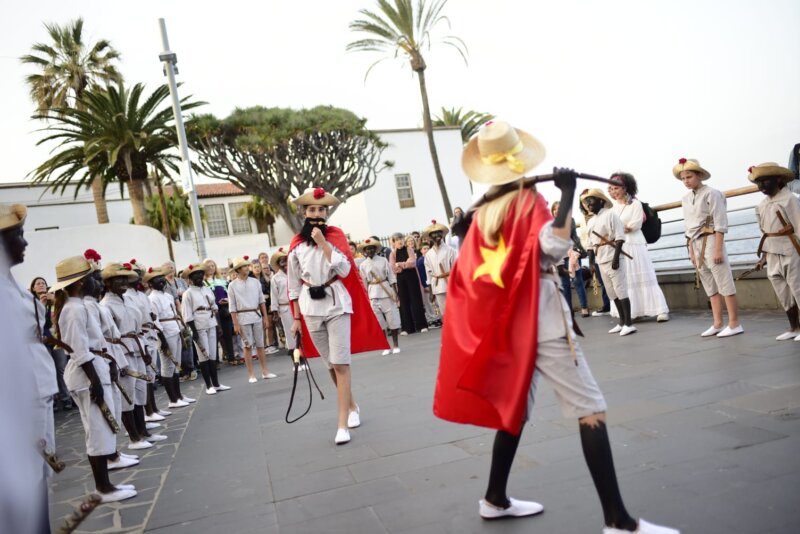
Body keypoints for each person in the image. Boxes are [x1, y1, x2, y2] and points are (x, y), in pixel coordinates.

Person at [433, 121, 679, 534]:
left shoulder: (483, 210)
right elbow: (552, 249)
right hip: (541, 316)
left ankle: (494, 498)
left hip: (507, 325)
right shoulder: (527, 200)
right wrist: (566, 196)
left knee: (514, 410)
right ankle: (618, 521)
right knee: (590, 407)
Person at [287, 187, 388, 444]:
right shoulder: (296, 244)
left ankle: (342, 424)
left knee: (341, 363)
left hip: (337, 304)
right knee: (331, 364)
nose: (316, 214)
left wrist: (323, 244)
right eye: (312, 209)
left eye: (321, 209)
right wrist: (296, 319)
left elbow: (344, 270)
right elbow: (293, 284)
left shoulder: (336, 236)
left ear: (326, 213)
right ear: (304, 213)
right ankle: (352, 405)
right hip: (310, 308)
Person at [52, 255, 138, 503]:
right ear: (80, 283)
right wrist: (95, 382)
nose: (96, 281)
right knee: (97, 431)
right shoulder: (74, 309)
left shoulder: (77, 306)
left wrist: (107, 365)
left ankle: (107, 483)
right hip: (86, 375)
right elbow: (79, 350)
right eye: (91, 277)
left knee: (101, 429)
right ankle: (103, 488)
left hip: (94, 368)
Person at [0, 203, 59, 531]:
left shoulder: (11, 283)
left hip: (39, 385)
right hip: (22, 393)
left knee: (40, 471)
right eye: (17, 236)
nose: (24, 243)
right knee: (30, 472)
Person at [676, 158, 743, 337]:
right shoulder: (685, 199)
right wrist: (691, 251)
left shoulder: (712, 194)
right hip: (695, 242)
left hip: (712, 239)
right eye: (683, 178)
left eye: (689, 176)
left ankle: (734, 323)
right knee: (708, 283)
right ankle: (717, 323)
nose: (686, 181)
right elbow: (688, 228)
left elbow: (720, 222)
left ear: (699, 175)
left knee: (724, 280)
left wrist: (718, 249)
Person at [607, 173, 670, 322]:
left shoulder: (635, 203)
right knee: (627, 278)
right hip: (620, 245)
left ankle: (660, 310)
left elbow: (635, 224)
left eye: (616, 188)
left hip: (635, 244)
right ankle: (634, 312)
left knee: (644, 275)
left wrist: (620, 229)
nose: (613, 192)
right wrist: (619, 229)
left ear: (625, 188)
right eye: (611, 189)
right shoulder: (612, 208)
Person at [749, 162, 800, 341]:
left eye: (765, 181)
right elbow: (764, 232)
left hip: (791, 249)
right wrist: (764, 256)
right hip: (772, 252)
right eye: (758, 182)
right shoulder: (762, 205)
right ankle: (794, 328)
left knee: (798, 287)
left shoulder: (790, 199)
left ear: (778, 179)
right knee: (783, 292)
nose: (761, 185)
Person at [583, 189, 637, 336]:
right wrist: (591, 263)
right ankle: (621, 322)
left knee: (620, 289)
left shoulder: (610, 215)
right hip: (600, 259)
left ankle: (629, 323)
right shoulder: (591, 221)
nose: (588, 204)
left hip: (612, 256)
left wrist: (616, 258)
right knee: (611, 292)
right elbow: (590, 244)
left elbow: (619, 238)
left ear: (601, 201)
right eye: (586, 202)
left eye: (591, 200)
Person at [146, 266, 196, 407]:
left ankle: (178, 395)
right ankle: (172, 399)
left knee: (176, 365)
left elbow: (175, 313)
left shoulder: (168, 296)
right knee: (168, 365)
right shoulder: (151, 298)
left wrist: (181, 328)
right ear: (150, 283)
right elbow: (155, 321)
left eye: (162, 278)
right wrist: (162, 339)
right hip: (165, 332)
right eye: (157, 279)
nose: (161, 281)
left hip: (175, 329)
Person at [182, 262, 231, 395]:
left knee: (213, 355)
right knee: (204, 356)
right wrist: (194, 331)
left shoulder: (207, 289)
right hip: (198, 325)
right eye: (195, 275)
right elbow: (187, 315)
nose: (199, 276)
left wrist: (218, 326)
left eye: (200, 274)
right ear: (190, 278)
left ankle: (216, 384)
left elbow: (215, 308)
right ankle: (209, 386)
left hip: (211, 322)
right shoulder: (188, 293)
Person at [30, 276, 74, 411]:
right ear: (33, 288)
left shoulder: (53, 299)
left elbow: (63, 314)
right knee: (47, 371)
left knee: (61, 369)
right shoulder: (31, 303)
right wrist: (41, 306)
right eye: (38, 283)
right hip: (41, 342)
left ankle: (66, 398)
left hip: (56, 340)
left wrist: (54, 301)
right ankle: (53, 400)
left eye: (43, 283)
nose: (41, 285)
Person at [229, 255, 275, 382]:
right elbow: (232, 307)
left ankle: (265, 372)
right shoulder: (232, 285)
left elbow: (262, 301)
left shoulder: (255, 282)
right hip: (242, 317)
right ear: (238, 269)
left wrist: (265, 317)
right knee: (247, 346)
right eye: (243, 266)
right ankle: (251, 375)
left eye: (246, 265)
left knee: (260, 345)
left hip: (256, 315)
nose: (246, 268)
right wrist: (235, 324)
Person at [358, 238, 401, 355]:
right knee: (379, 321)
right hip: (373, 293)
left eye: (371, 248)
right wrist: (367, 297)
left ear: (375, 249)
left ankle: (396, 344)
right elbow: (364, 282)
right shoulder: (363, 265)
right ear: (364, 251)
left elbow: (391, 276)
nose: (369, 251)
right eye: (367, 249)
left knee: (392, 318)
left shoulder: (383, 260)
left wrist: (395, 292)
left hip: (385, 291)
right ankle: (385, 346)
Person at [550, 202, 590, 317]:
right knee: (564, 285)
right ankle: (568, 310)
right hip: (560, 258)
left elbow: (573, 236)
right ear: (552, 211)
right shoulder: (550, 225)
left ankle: (584, 307)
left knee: (578, 282)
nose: (557, 211)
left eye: (559, 208)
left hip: (572, 254)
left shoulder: (570, 220)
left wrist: (582, 251)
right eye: (555, 209)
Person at [390, 233, 429, 335]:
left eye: (401, 239)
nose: (400, 241)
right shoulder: (393, 254)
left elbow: (412, 263)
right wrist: (405, 264)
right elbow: (393, 268)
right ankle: (407, 328)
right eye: (397, 240)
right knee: (404, 302)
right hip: (401, 279)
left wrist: (400, 264)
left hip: (412, 277)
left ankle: (422, 325)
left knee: (416, 301)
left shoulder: (409, 249)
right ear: (393, 242)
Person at [204, 259, 236, 364]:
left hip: (224, 310)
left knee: (228, 334)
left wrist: (226, 300)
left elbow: (229, 294)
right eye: (208, 266)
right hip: (212, 312)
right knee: (215, 336)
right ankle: (215, 360)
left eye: (213, 266)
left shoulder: (221, 280)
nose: (211, 268)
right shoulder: (203, 282)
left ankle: (231, 357)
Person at [423, 220, 458, 316]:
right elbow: (428, 274)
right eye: (434, 233)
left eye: (439, 232)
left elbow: (456, 269)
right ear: (430, 237)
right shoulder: (428, 254)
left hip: (451, 283)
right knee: (444, 313)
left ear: (442, 234)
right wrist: (431, 292)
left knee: (456, 310)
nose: (437, 235)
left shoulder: (450, 250)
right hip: (437, 286)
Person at [269, 247, 296, 355]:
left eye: (286, 260)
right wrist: (275, 312)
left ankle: (303, 352)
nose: (285, 263)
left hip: (297, 306)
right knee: (290, 332)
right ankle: (295, 355)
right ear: (278, 263)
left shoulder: (293, 273)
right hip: (285, 308)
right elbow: (274, 296)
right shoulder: (275, 278)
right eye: (282, 261)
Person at [251, 259, 279, 355]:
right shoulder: (250, 280)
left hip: (267, 303)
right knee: (261, 326)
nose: (257, 269)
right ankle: (262, 346)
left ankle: (270, 345)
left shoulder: (265, 279)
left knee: (269, 325)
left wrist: (271, 303)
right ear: (252, 268)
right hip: (256, 305)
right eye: (255, 267)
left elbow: (271, 292)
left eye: (258, 267)